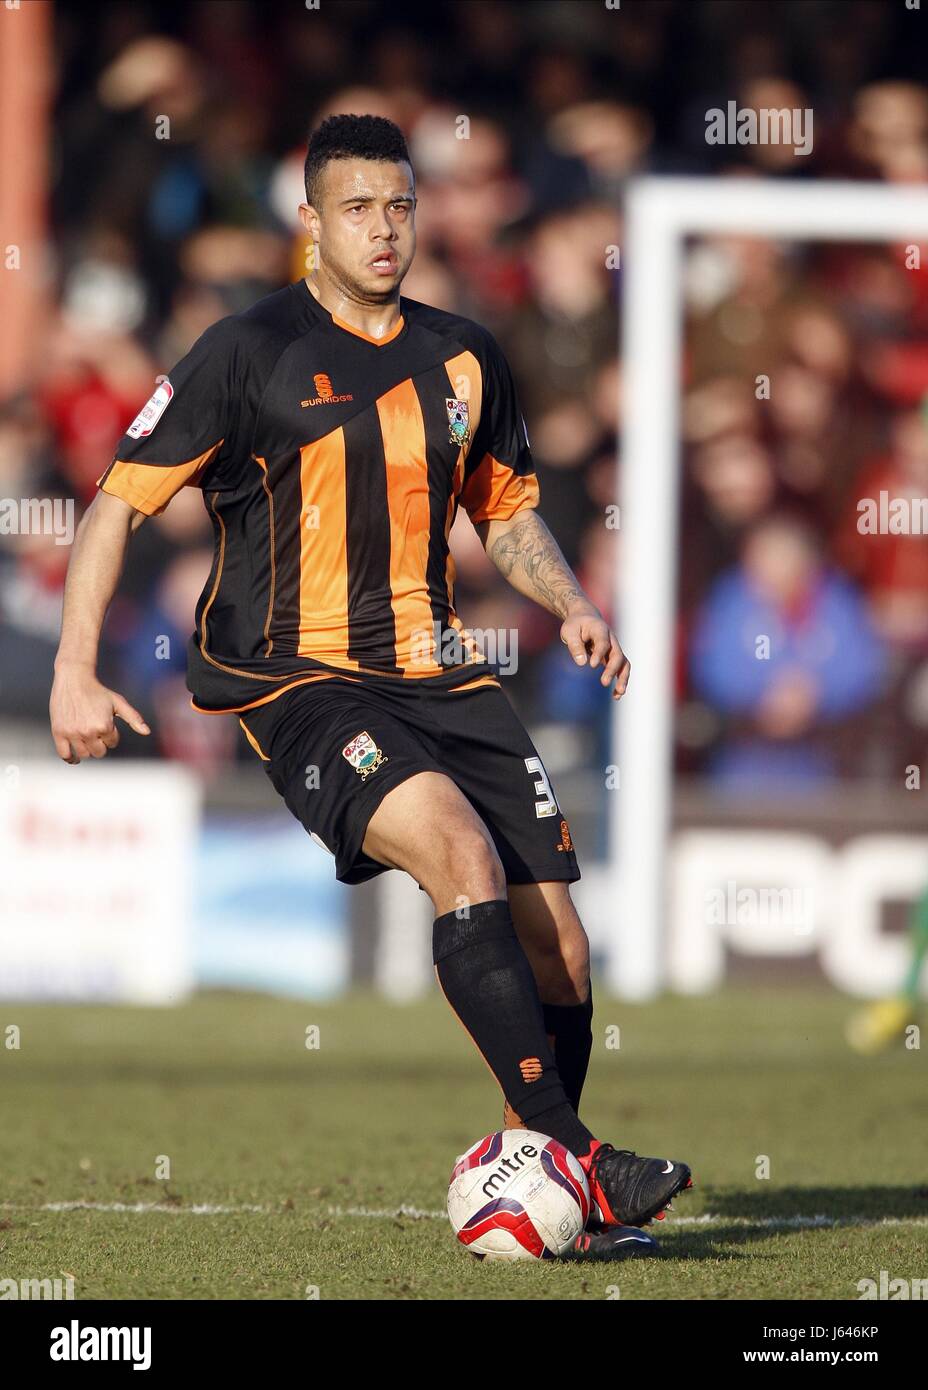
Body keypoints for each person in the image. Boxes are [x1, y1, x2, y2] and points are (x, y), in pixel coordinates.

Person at [49, 113, 691, 1259]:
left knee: (564, 948)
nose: (384, 228)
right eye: (357, 207)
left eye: (399, 204)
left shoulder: (463, 354)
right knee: (458, 853)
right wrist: (74, 668)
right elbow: (113, 504)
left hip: (437, 672)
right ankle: (582, 1158)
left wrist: (572, 604)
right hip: (297, 681)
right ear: (308, 221)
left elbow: (506, 509)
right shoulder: (245, 350)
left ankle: (541, 1184)